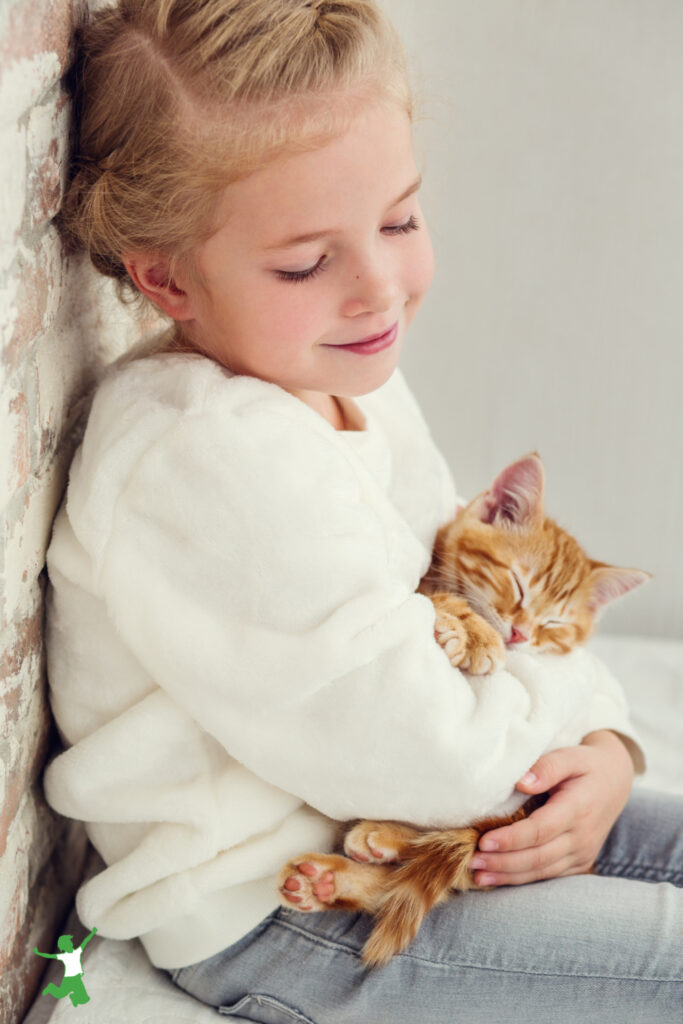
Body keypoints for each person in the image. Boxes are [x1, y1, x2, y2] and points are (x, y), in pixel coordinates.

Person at [43, 1, 682, 1021]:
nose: (380, 287)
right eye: (306, 262)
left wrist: (606, 746)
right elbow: (427, 747)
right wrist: (582, 726)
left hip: (404, 824)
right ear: (167, 278)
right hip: (282, 915)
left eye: (398, 219)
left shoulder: (349, 384)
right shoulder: (203, 457)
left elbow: (456, 604)